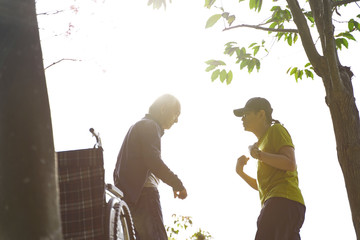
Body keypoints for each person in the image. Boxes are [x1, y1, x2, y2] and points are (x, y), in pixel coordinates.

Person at [113, 94, 187, 240]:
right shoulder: (150, 126)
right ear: (164, 109)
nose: (177, 120)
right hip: (145, 195)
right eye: (176, 114)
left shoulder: (138, 126)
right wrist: (177, 184)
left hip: (130, 197)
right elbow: (153, 161)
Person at [234, 97, 305, 240]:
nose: (242, 119)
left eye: (246, 114)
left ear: (261, 114)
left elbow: (290, 163)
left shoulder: (276, 130)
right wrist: (240, 172)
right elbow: (263, 186)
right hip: (281, 203)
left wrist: (259, 155)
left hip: (282, 202)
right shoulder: (260, 144)